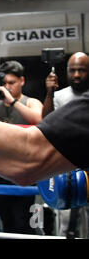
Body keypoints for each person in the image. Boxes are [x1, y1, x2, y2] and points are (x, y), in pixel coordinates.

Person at [0, 61, 43, 234]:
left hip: (26, 169)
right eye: (4, 84)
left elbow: (38, 119)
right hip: (3, 169)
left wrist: (13, 102)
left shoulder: (31, 102)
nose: (7, 87)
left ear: (22, 81)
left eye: (12, 83)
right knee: (6, 219)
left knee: (25, 220)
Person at [42, 52, 89, 238]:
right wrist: (49, 92)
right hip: (67, 167)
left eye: (82, 70)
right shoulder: (60, 96)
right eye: (73, 70)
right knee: (65, 223)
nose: (77, 74)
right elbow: (45, 121)